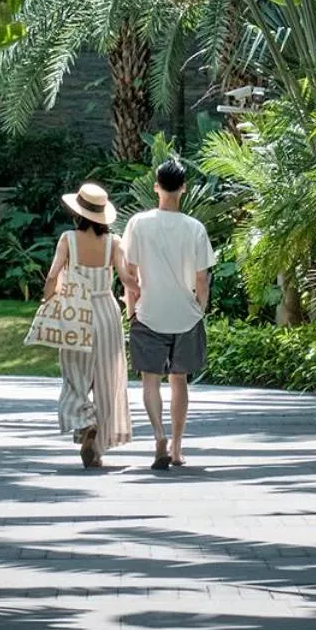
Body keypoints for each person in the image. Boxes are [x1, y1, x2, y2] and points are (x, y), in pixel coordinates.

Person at [122, 156, 216, 471]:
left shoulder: (138, 223)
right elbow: (202, 280)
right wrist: (199, 308)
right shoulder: (195, 228)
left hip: (148, 312)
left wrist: (130, 308)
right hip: (185, 315)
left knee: (150, 380)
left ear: (156, 187)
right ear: (184, 189)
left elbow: (130, 274)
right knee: (180, 381)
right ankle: (176, 448)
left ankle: (158, 435)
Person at [39, 181, 133, 468]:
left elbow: (53, 276)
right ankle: (98, 444)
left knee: (75, 374)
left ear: (77, 213)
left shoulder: (68, 239)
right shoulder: (113, 242)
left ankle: (85, 421)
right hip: (106, 311)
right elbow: (128, 280)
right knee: (106, 378)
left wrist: (47, 301)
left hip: (76, 312)